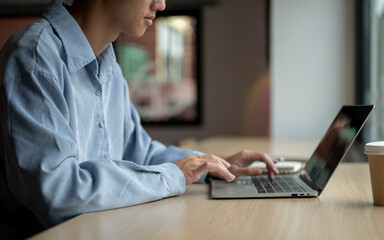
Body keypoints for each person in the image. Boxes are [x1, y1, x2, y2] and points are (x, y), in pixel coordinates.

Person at [0, 0, 279, 238]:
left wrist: (211, 166)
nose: (161, 4)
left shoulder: (106, 62)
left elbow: (140, 152)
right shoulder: (35, 57)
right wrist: (175, 174)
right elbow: (60, 190)